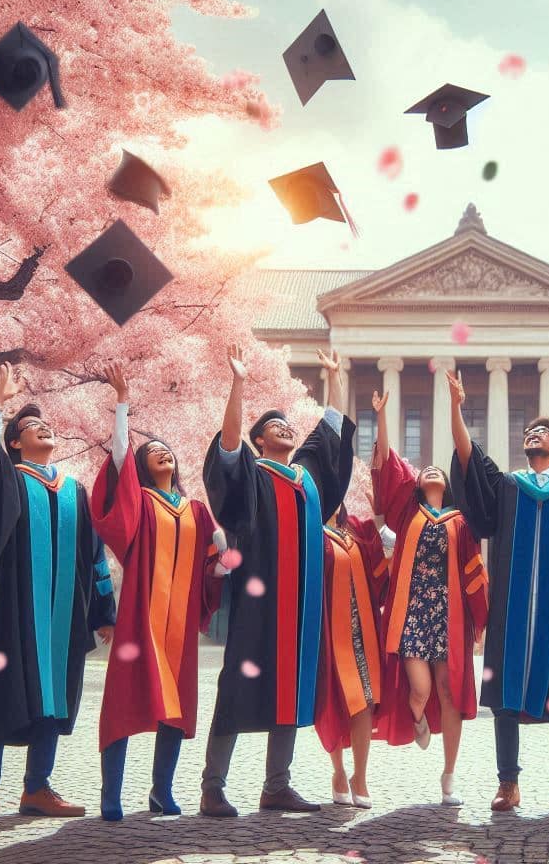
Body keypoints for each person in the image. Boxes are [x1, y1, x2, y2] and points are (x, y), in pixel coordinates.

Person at [0, 363, 116, 828]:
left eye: (46, 424)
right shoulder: (8, 479)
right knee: (1, 696)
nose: (43, 427)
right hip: (16, 614)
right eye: (29, 426)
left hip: (65, 617)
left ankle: (37, 788)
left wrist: (103, 612)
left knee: (55, 699)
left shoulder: (75, 492)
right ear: (14, 443)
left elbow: (95, 556)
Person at [199, 344, 355, 818]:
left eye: (286, 424)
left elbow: (329, 438)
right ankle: (212, 786)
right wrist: (239, 383)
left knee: (291, 687)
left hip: (302, 607)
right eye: (272, 426)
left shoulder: (305, 479)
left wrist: (334, 379)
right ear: (259, 442)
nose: (284, 428)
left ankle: (276, 786)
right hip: (259, 603)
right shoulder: (253, 474)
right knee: (237, 688)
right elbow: (228, 448)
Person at [448, 369, 549, 813]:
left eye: (541, 432)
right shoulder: (508, 487)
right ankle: (508, 783)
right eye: (529, 432)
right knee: (506, 698)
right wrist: (457, 407)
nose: (532, 435)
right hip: (512, 614)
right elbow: (468, 459)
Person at [91, 363, 227, 820]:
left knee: (176, 705)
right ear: (143, 467)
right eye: (155, 451)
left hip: (180, 623)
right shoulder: (140, 502)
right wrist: (123, 403)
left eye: (169, 450)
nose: (164, 453)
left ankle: (160, 791)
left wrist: (223, 561)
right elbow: (117, 467)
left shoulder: (195, 509)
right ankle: (112, 794)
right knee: (125, 698)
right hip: (140, 619)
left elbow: (213, 564)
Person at [371, 388, 488, 806]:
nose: (432, 472)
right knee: (418, 690)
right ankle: (416, 717)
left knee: (449, 690)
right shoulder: (409, 514)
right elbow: (387, 467)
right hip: (412, 612)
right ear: (418, 484)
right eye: (427, 472)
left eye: (439, 471)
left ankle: (449, 775)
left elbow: (474, 568)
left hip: (449, 615)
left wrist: (479, 620)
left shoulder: (461, 522)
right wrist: (381, 416)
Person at [317, 504, 389, 809]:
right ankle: (338, 771)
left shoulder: (356, 529)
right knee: (338, 701)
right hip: (331, 631)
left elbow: (379, 572)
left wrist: (381, 520)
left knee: (366, 700)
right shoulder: (312, 531)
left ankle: (360, 776)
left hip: (363, 629)